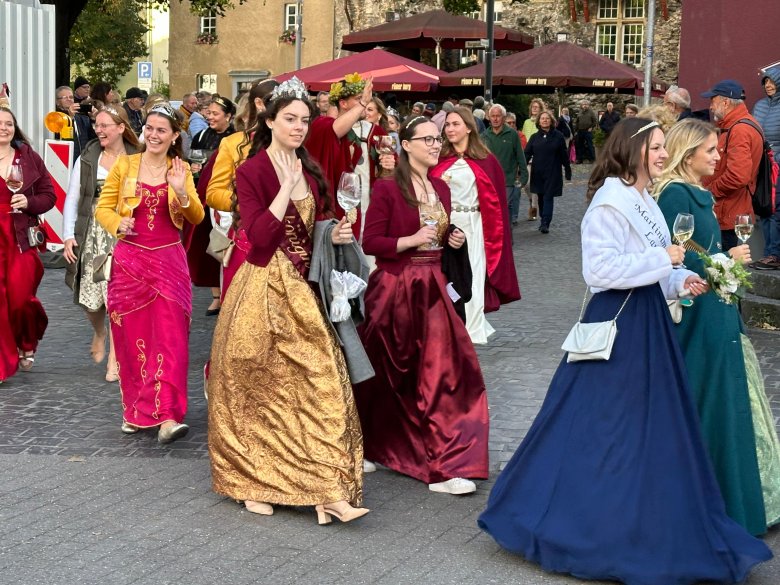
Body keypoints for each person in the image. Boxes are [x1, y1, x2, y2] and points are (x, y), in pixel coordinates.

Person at [478, 117, 773, 584]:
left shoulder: (644, 201)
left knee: (646, 426)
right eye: (654, 148)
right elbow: (599, 271)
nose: (660, 155)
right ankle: (570, 513)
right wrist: (666, 261)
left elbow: (659, 269)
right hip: (618, 322)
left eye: (662, 148)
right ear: (632, 149)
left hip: (650, 319)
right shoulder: (610, 203)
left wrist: (682, 280)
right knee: (600, 423)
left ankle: (641, 515)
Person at [207, 77, 367, 524]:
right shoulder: (252, 170)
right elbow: (258, 237)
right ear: (270, 121)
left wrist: (333, 232)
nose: (299, 127)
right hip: (261, 286)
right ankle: (252, 480)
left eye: (304, 120)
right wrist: (284, 186)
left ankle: (328, 490)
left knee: (322, 382)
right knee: (257, 387)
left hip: (305, 288)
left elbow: (316, 225)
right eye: (290, 120)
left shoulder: (312, 167)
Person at [656, 118, 780, 535]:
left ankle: (737, 491)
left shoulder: (699, 194)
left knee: (730, 390)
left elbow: (700, 251)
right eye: (710, 150)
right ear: (688, 152)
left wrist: (727, 255)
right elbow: (679, 256)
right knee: (708, 391)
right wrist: (727, 262)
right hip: (700, 305)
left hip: (717, 301)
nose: (718, 155)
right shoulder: (676, 194)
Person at [354, 115, 488, 496]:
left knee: (445, 371)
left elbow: (440, 234)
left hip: (433, 287)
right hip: (396, 288)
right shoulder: (386, 189)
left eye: (436, 138)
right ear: (406, 145)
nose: (434, 144)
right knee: (385, 372)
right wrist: (411, 239)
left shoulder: (441, 189)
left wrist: (453, 237)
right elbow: (372, 242)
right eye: (425, 139)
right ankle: (369, 442)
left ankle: (445, 462)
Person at [95, 103, 204, 442]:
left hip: (169, 262)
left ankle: (169, 415)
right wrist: (118, 222)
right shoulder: (125, 165)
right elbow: (103, 208)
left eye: (162, 130)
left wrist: (183, 192)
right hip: (130, 262)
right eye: (150, 129)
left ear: (174, 137)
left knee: (171, 339)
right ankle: (137, 411)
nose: (154, 135)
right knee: (132, 337)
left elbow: (197, 217)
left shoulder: (180, 168)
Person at [62, 106, 140, 382]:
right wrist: (68, 235)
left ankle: (115, 357)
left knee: (118, 297)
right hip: (92, 232)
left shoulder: (137, 156)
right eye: (97, 124)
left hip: (125, 234)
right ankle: (99, 331)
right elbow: (73, 197)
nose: (99, 129)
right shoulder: (89, 156)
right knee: (91, 300)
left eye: (105, 125)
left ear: (120, 128)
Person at [433, 107, 521, 344]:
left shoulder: (486, 161)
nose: (450, 129)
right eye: (448, 125)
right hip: (446, 226)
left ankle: (469, 329)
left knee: (471, 275)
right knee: (446, 275)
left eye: (455, 124)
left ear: (469, 128)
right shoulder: (439, 159)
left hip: (474, 225)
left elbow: (497, 201)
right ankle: (447, 324)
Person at [0, 107, 56, 380]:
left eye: (9, 123)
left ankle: (26, 340)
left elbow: (49, 195)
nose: (4, 128)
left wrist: (29, 202)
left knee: (21, 299)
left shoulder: (28, 158)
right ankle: (3, 362)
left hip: (20, 236)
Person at [306, 74, 394, 239]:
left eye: (366, 100)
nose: (365, 103)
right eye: (359, 99)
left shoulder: (377, 131)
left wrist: (390, 165)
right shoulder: (322, 125)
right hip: (333, 208)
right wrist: (362, 104)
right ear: (343, 103)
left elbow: (392, 168)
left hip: (368, 202)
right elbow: (334, 130)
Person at [187, 94, 236, 316]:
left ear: (229, 116)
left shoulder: (235, 138)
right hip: (205, 193)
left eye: (215, 114)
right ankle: (217, 295)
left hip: (228, 194)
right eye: (209, 113)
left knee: (230, 243)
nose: (210, 118)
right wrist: (195, 169)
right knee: (212, 240)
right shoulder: (202, 136)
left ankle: (230, 290)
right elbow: (193, 160)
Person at [700, 80, 764, 251]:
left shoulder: (739, 129)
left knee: (721, 269)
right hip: (729, 211)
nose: (711, 107)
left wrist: (708, 191)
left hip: (728, 213)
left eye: (712, 101)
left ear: (725, 102)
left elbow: (738, 176)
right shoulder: (740, 125)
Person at [751, 65, 780, 270]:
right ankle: (769, 253)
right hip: (761, 165)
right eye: (766, 82)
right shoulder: (759, 105)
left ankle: (773, 254)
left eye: (772, 81)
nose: (768, 85)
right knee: (763, 207)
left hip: (778, 164)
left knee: (775, 208)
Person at [481, 104, 529, 229]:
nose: (495, 119)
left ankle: (507, 236)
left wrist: (523, 177)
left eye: (498, 116)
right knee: (493, 209)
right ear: (488, 117)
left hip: (508, 179)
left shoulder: (512, 134)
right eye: (493, 116)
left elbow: (520, 156)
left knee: (505, 207)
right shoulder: (484, 136)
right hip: (490, 180)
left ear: (503, 117)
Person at [524, 110, 571, 234]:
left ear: (551, 121)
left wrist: (567, 169)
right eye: (542, 118)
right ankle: (543, 219)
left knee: (548, 196)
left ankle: (545, 222)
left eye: (547, 118)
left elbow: (564, 155)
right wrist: (522, 167)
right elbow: (527, 153)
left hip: (553, 171)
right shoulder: (534, 137)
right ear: (539, 121)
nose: (544, 120)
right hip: (538, 172)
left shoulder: (558, 136)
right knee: (540, 196)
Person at [574, 99, 598, 164]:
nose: (584, 105)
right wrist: (576, 130)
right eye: (583, 104)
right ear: (581, 105)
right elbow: (577, 122)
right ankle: (579, 159)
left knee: (590, 145)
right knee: (580, 145)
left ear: (588, 105)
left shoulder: (591, 112)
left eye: (586, 104)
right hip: (580, 131)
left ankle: (592, 159)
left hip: (588, 131)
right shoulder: (580, 112)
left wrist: (591, 127)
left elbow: (595, 121)